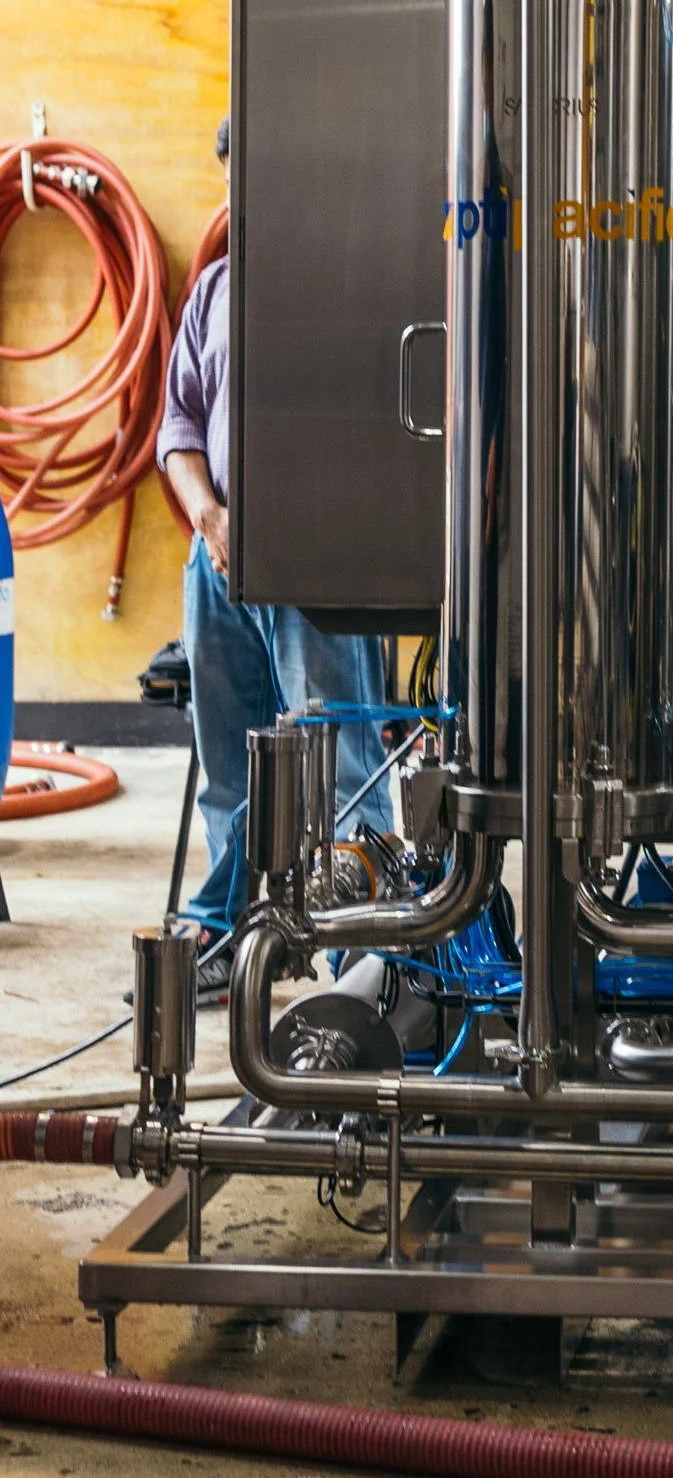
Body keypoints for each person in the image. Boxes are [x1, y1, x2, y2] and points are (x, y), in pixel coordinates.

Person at [158, 117, 393, 1001]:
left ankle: (366, 956)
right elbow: (178, 426)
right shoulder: (213, 291)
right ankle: (234, 931)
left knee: (337, 752)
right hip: (218, 559)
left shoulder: (341, 281)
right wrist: (208, 516)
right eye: (231, 177)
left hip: (314, 557)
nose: (241, 193)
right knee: (232, 762)